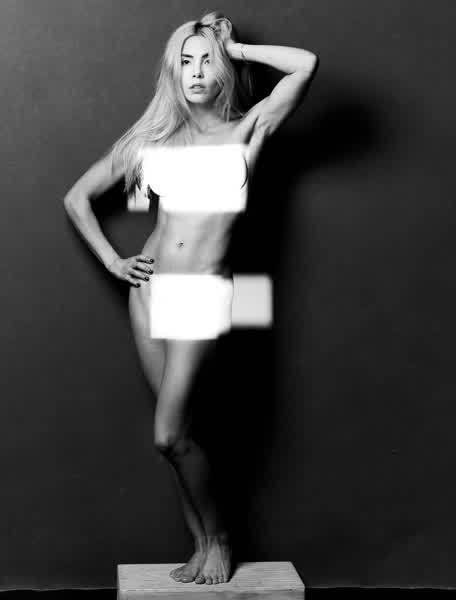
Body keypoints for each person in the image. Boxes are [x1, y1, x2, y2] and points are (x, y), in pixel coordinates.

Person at [63, 10, 319, 585]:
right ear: (173, 72)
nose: (197, 71)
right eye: (186, 61)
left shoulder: (249, 128)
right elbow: (77, 198)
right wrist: (114, 261)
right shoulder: (157, 139)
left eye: (207, 61)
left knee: (169, 433)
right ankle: (202, 545)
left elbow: (305, 66)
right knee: (180, 439)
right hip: (150, 290)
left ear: (222, 67)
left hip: (204, 292)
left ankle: (220, 538)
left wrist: (235, 48)